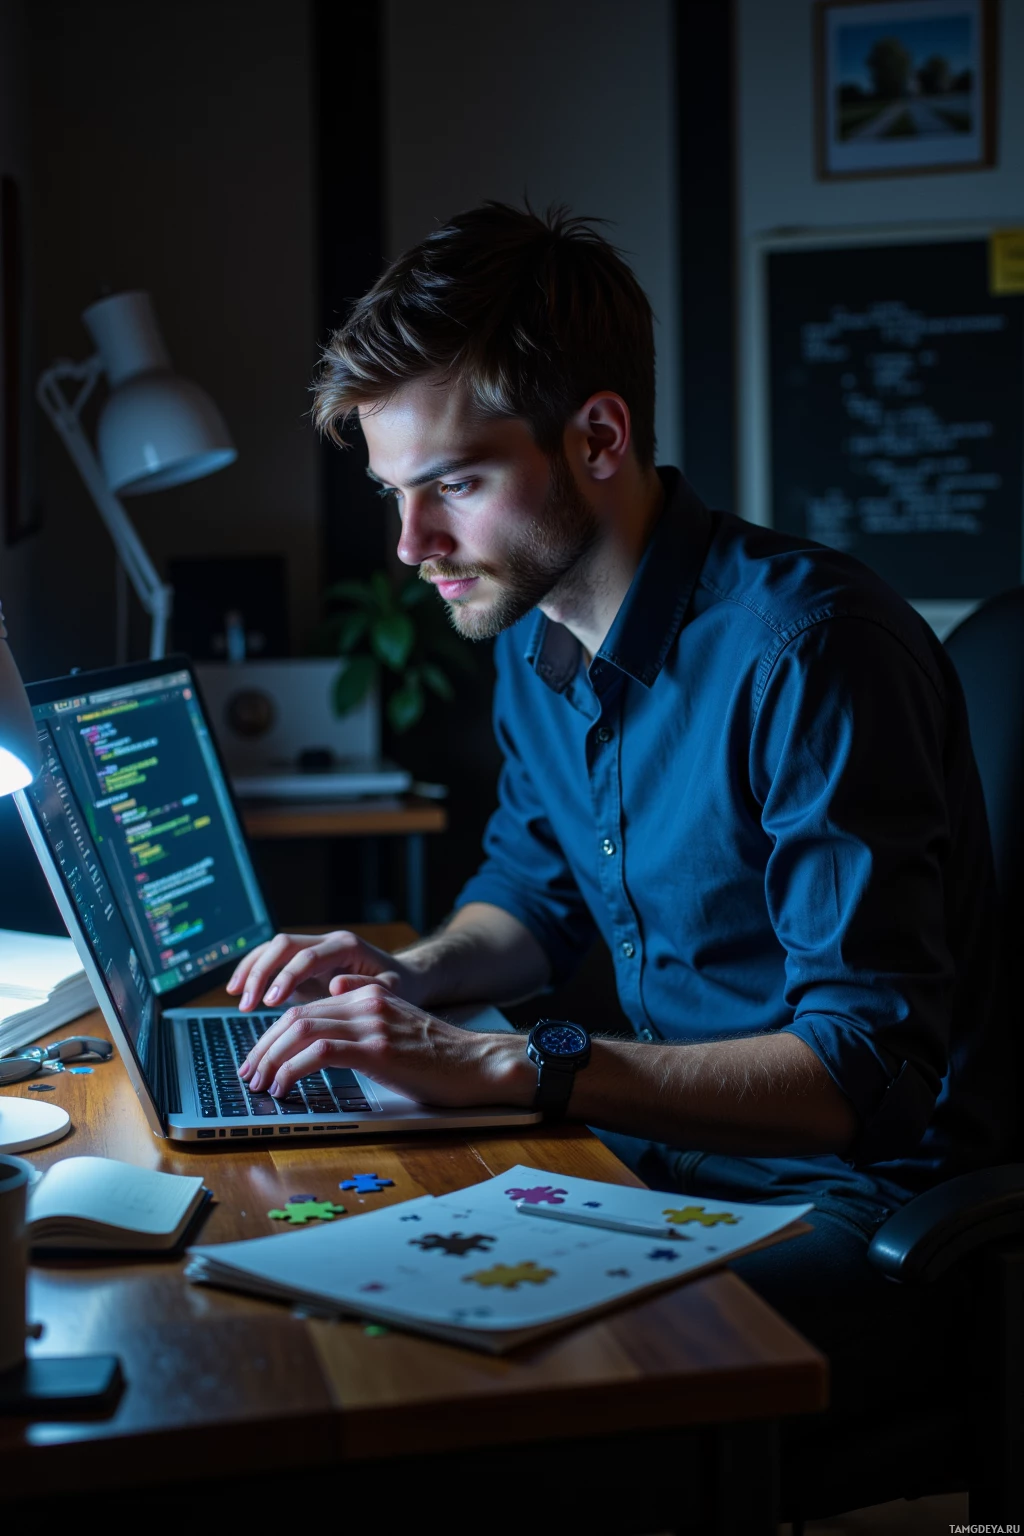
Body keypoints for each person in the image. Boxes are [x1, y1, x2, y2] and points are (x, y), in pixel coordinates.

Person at [229, 203, 1008, 1462]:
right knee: (293, 1282)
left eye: (454, 487)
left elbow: (859, 1070)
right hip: (660, 1168)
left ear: (597, 435)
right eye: (393, 496)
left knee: (422, 1384)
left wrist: (505, 1064)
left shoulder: (811, 652)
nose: (411, 549)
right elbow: (528, 898)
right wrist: (411, 976)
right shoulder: (534, 638)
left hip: (857, 1219)